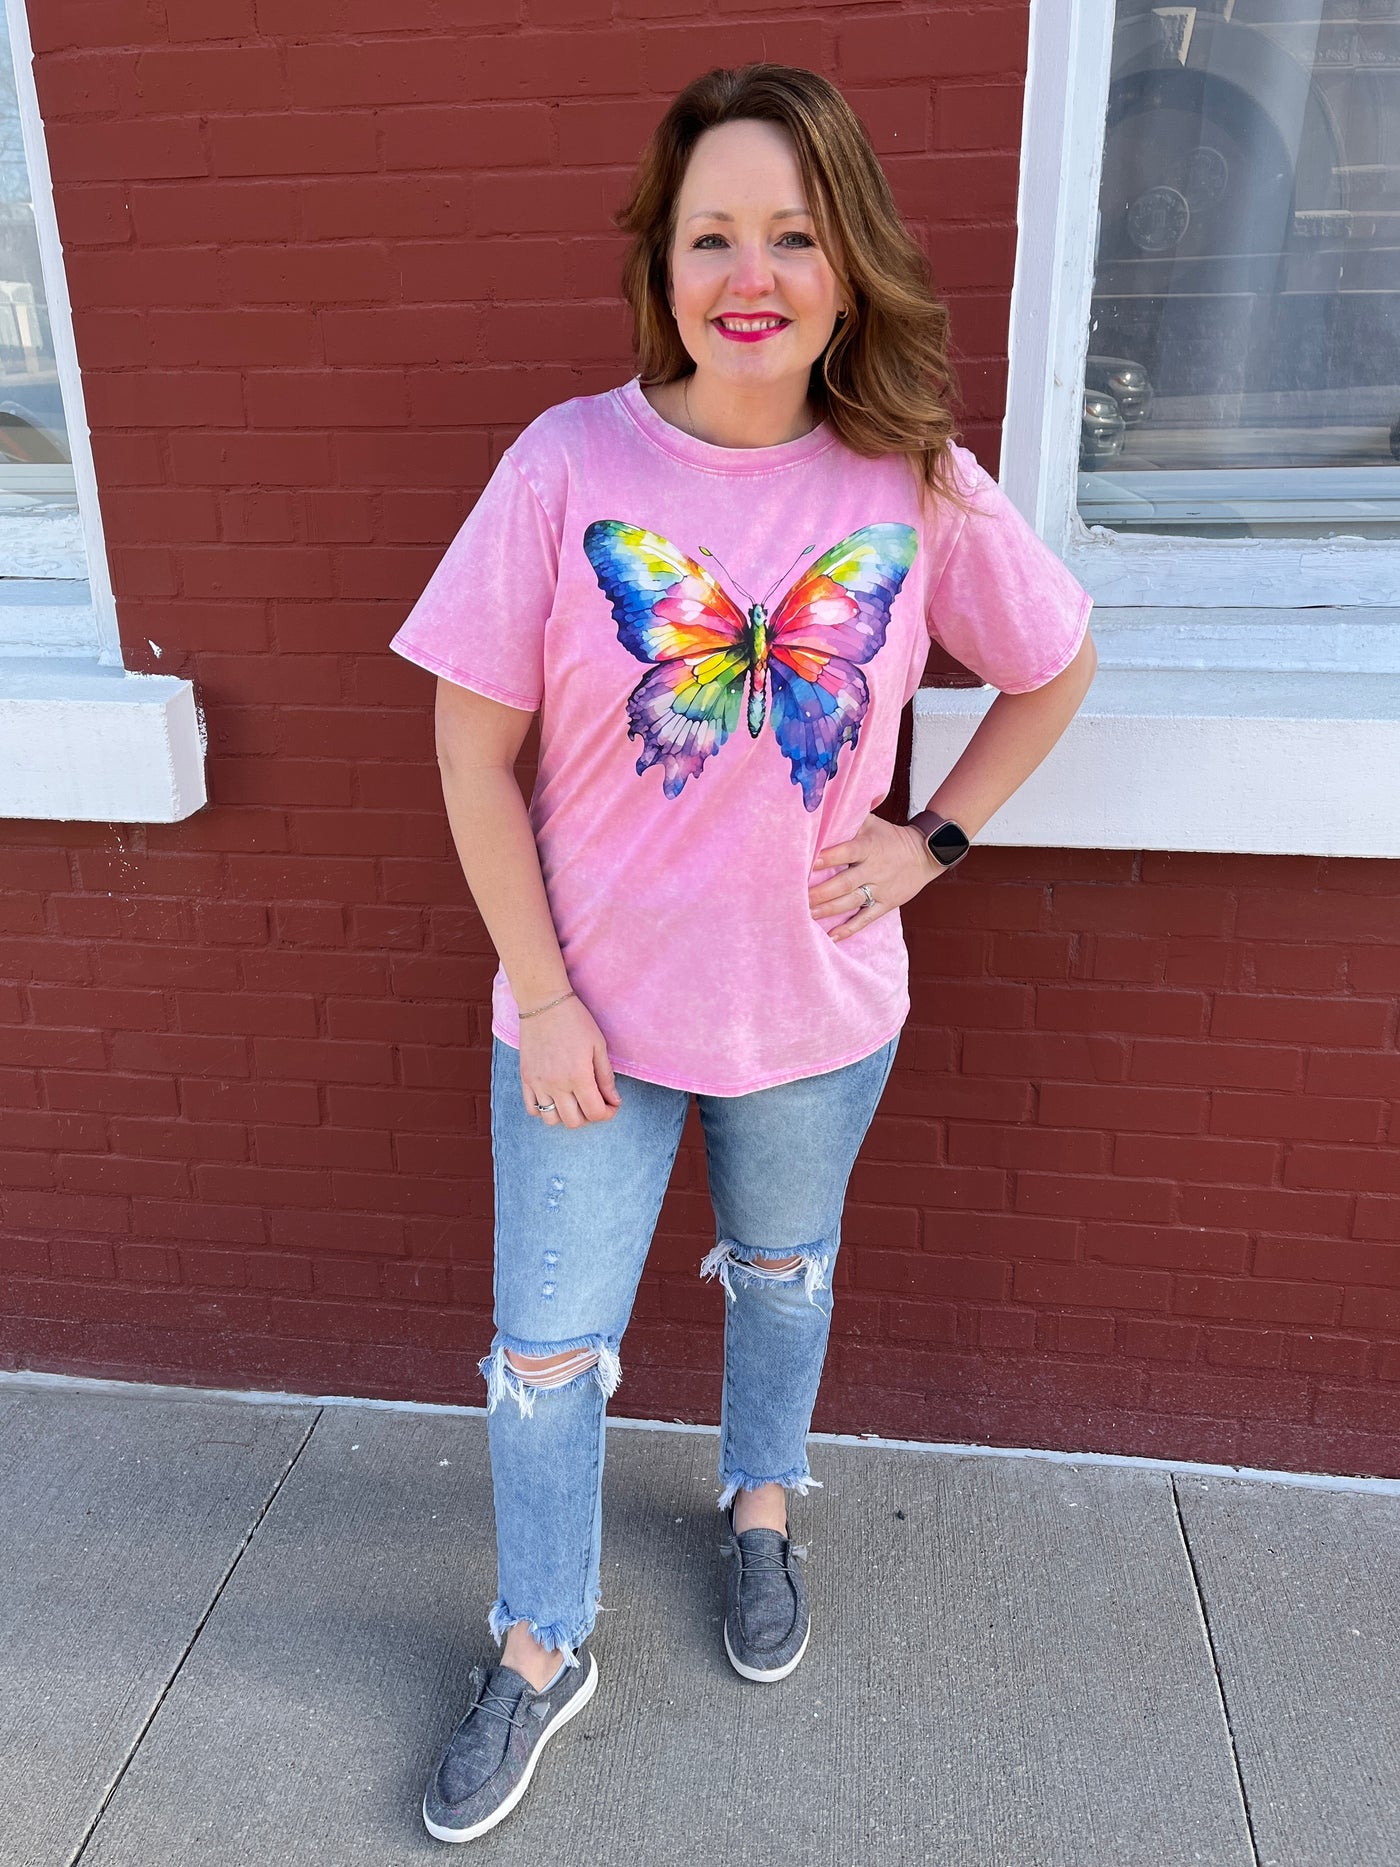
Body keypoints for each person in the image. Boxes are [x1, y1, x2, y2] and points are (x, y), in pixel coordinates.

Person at [390, 61, 1097, 1843]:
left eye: (791, 231)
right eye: (714, 233)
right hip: (587, 1030)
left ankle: (760, 1510)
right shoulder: (568, 465)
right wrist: (541, 997)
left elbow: (1053, 665)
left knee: (782, 1275)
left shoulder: (909, 481)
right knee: (545, 1354)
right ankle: (542, 1647)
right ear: (666, 260)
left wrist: (931, 841)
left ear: (847, 264)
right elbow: (471, 752)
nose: (751, 270)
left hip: (815, 1008)